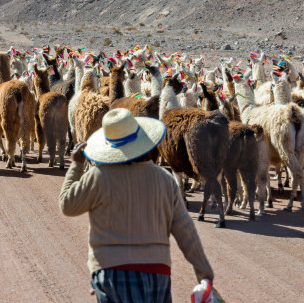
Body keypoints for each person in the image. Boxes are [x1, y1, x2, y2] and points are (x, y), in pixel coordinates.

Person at [59, 108, 214, 303]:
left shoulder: (98, 177)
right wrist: (204, 273)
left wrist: (76, 165)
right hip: (157, 272)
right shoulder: (164, 180)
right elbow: (185, 230)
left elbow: (67, 204)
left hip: (110, 272)